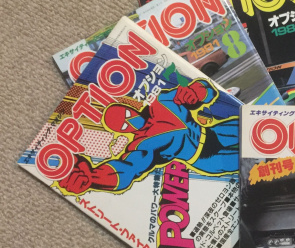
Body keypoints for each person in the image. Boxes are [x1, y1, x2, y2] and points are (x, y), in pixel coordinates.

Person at [57, 78, 238, 195]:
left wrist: (197, 92)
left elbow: (208, 90)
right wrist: (93, 178)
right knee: (247, 162)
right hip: (204, 159)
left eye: (125, 114)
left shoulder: (163, 102)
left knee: (250, 126)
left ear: (130, 108)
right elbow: (126, 169)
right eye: (122, 125)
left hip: (215, 132)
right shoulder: (140, 145)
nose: (127, 120)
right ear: (122, 132)